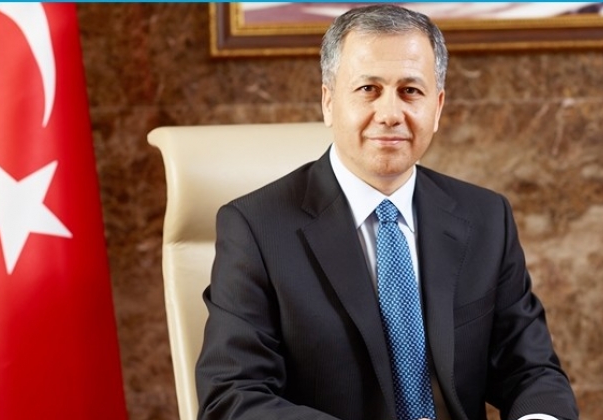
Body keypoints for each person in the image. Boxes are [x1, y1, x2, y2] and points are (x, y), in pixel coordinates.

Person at [196, 4, 579, 420]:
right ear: (328, 102)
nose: (391, 114)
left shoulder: (486, 217)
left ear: (438, 107)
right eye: (368, 89)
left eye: (411, 91)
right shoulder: (256, 229)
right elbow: (232, 396)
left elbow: (531, 371)